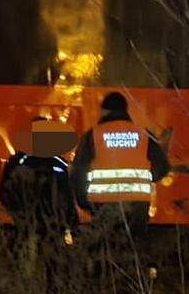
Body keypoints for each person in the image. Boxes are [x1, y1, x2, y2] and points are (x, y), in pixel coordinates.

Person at [71, 92, 170, 236]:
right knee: (134, 247)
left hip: (102, 204)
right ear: (125, 110)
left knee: (108, 248)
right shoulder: (143, 134)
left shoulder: (93, 135)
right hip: (137, 205)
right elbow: (162, 167)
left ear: (104, 111)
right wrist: (144, 179)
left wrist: (83, 202)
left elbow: (78, 172)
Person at [0, 118, 78, 239]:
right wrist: (70, 223)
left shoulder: (17, 163)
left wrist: (18, 214)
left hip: (25, 228)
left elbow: (4, 194)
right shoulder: (59, 164)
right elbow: (68, 198)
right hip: (53, 229)